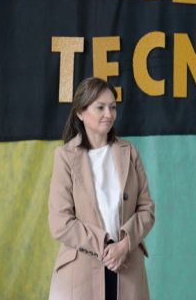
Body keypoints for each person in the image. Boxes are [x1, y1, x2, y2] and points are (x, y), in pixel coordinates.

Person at [48, 77, 155, 300]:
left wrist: (125, 244)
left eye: (113, 107)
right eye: (100, 107)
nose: (109, 114)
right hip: (80, 272)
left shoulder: (130, 152)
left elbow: (147, 210)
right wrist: (105, 243)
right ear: (80, 112)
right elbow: (60, 223)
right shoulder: (65, 157)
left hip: (127, 266)